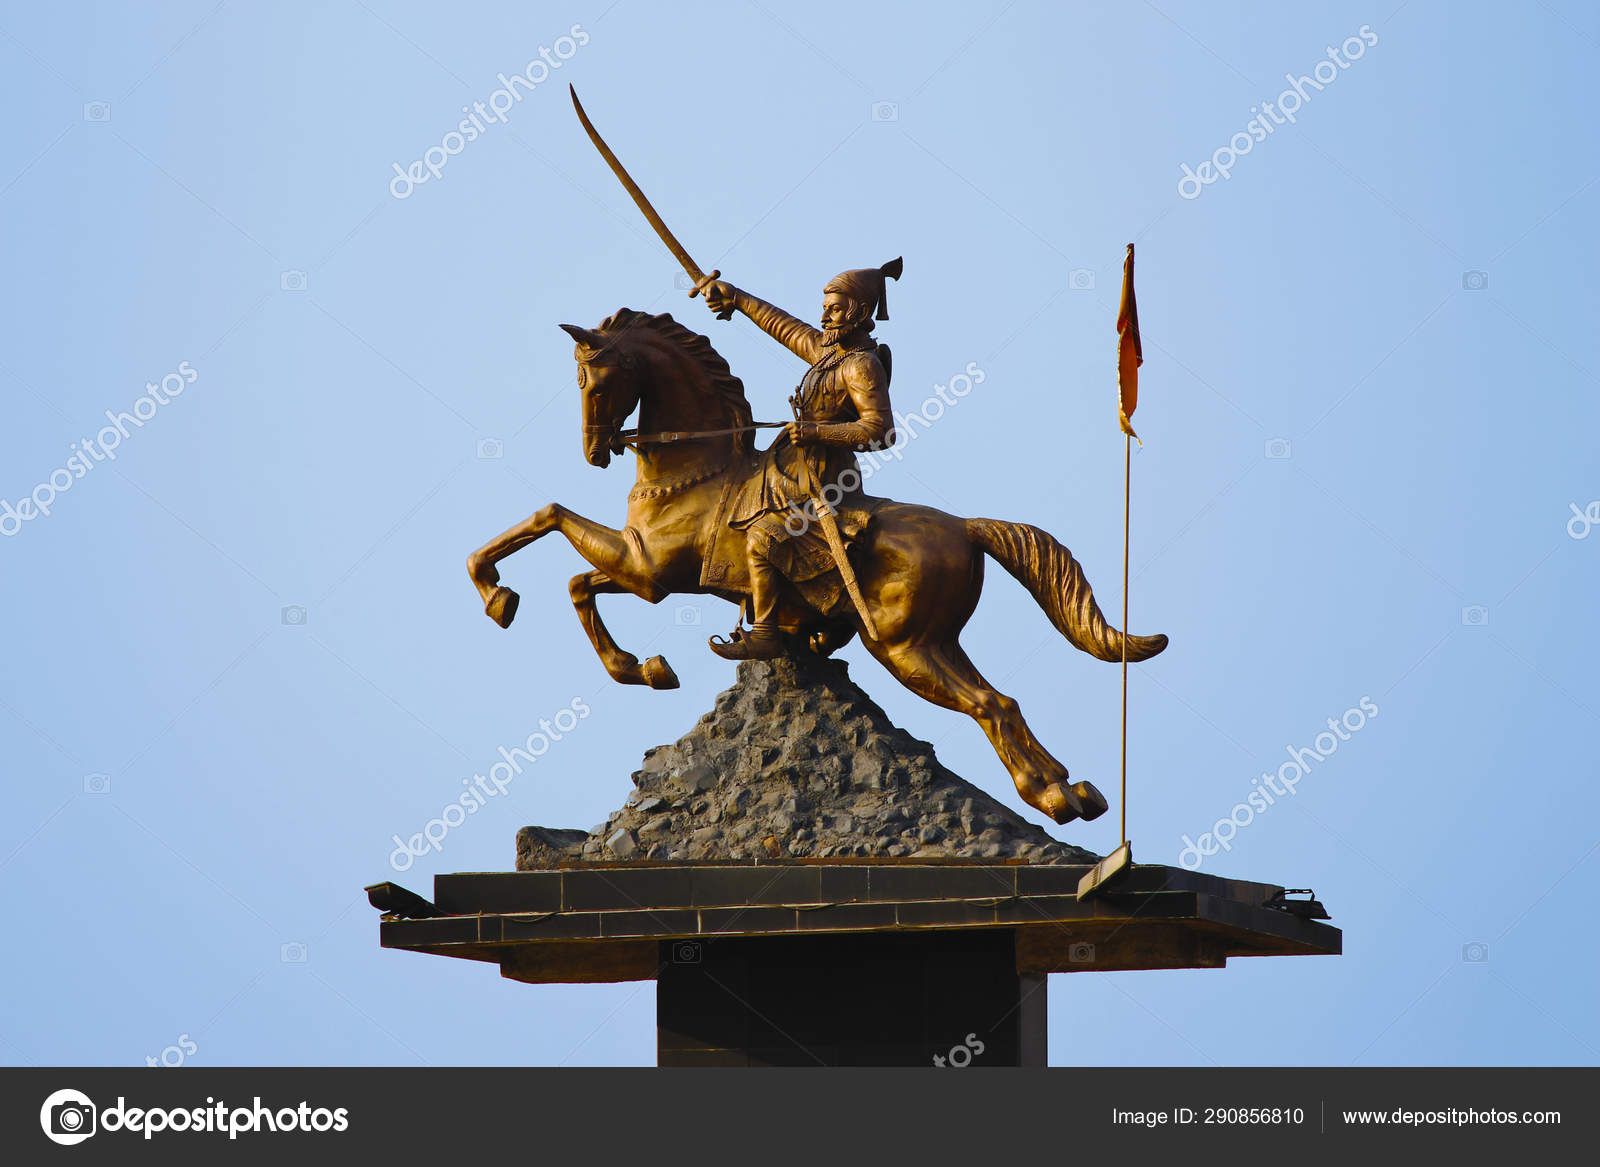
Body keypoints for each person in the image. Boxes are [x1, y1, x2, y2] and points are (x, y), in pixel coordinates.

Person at [695, 258, 903, 659]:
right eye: (824, 307)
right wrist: (735, 297)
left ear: (859, 312)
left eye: (835, 308)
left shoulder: (861, 365)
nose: (824, 316)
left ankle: (767, 630)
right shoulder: (828, 353)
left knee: (761, 538)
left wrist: (816, 432)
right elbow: (783, 325)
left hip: (824, 480)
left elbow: (881, 431)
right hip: (788, 470)